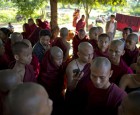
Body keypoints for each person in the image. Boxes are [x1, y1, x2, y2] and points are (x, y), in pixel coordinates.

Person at [38, 46, 65, 115]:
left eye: (62, 58)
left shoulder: (60, 67)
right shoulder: (44, 72)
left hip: (59, 96)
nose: (61, 61)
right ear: (51, 59)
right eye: (58, 59)